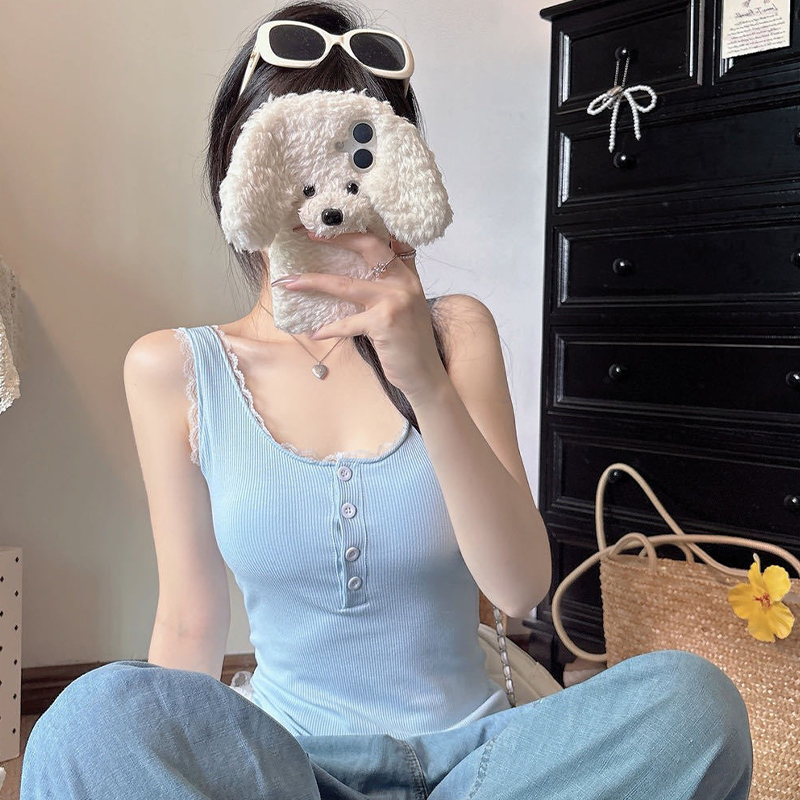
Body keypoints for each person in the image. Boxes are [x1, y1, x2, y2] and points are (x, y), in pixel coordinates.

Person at [20, 2, 754, 798]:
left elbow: (519, 590)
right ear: (243, 175)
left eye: (362, 154)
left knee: (693, 705)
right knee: (89, 719)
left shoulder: (456, 332)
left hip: (482, 767)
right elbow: (189, 625)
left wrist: (424, 382)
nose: (329, 197)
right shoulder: (175, 368)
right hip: (293, 771)